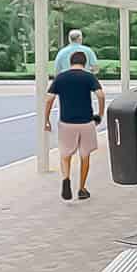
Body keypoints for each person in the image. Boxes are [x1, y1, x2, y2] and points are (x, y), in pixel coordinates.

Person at [44, 53, 106, 201]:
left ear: (70, 62)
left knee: (65, 155)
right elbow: (101, 95)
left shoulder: (61, 77)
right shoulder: (89, 77)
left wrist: (46, 119)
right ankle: (82, 188)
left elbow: (49, 99)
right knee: (85, 156)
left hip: (66, 123)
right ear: (84, 63)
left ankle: (66, 179)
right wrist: (100, 114)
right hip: (86, 122)